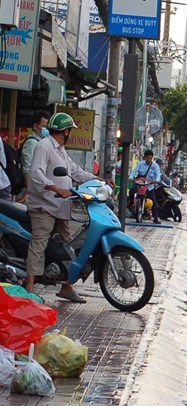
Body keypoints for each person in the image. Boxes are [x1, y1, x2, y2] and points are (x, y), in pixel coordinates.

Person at [24, 113, 97, 301]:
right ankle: (29, 287)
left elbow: (76, 172)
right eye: (70, 130)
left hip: (60, 206)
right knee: (39, 243)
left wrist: (99, 180)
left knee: (67, 246)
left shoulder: (61, 150)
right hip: (43, 205)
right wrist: (56, 187)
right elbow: (36, 174)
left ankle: (66, 286)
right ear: (65, 131)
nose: (70, 133)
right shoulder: (44, 146)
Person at [129, 149, 163, 223]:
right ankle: (132, 205)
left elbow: (158, 174)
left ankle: (156, 218)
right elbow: (134, 171)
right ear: (144, 158)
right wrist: (131, 177)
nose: (149, 159)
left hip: (149, 185)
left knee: (154, 201)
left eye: (150, 158)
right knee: (131, 191)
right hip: (140, 184)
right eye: (147, 158)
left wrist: (156, 180)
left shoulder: (155, 165)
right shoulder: (140, 164)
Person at [20, 111, 49, 178]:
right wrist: (29, 186)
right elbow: (27, 168)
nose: (47, 130)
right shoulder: (32, 142)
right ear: (35, 126)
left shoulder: (41, 141)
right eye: (45, 127)